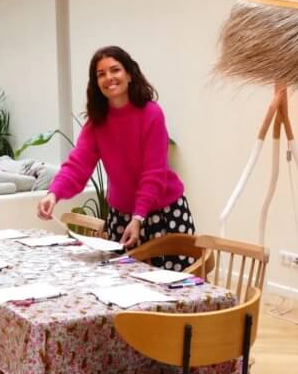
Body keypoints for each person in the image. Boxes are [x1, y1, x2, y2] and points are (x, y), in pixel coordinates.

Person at [37, 46, 195, 269]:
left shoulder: (151, 114)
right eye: (101, 74)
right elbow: (77, 165)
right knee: (125, 290)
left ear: (129, 74)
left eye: (115, 70)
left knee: (173, 292)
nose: (109, 78)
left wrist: (138, 217)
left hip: (165, 214)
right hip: (121, 218)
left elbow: (153, 172)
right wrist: (54, 194)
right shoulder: (96, 124)